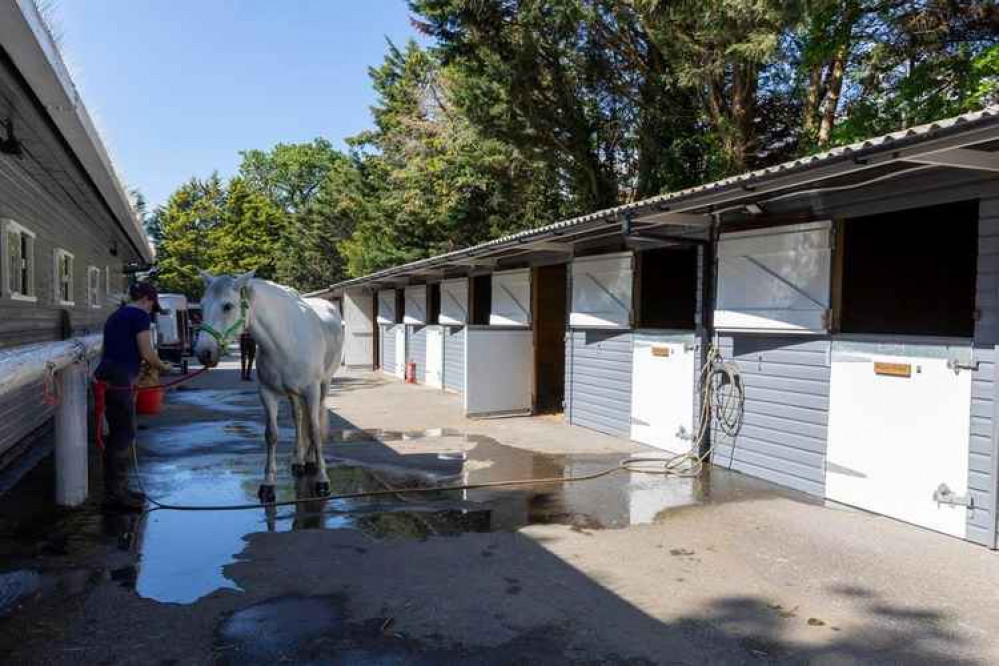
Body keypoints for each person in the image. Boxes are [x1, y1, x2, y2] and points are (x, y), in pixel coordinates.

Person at [94, 281, 172, 511]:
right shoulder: (139, 316)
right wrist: (163, 367)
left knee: (120, 432)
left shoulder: (116, 315)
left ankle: (118, 490)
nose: (151, 310)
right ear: (147, 299)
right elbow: (147, 352)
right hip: (120, 379)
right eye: (152, 305)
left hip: (109, 375)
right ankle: (114, 497)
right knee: (123, 434)